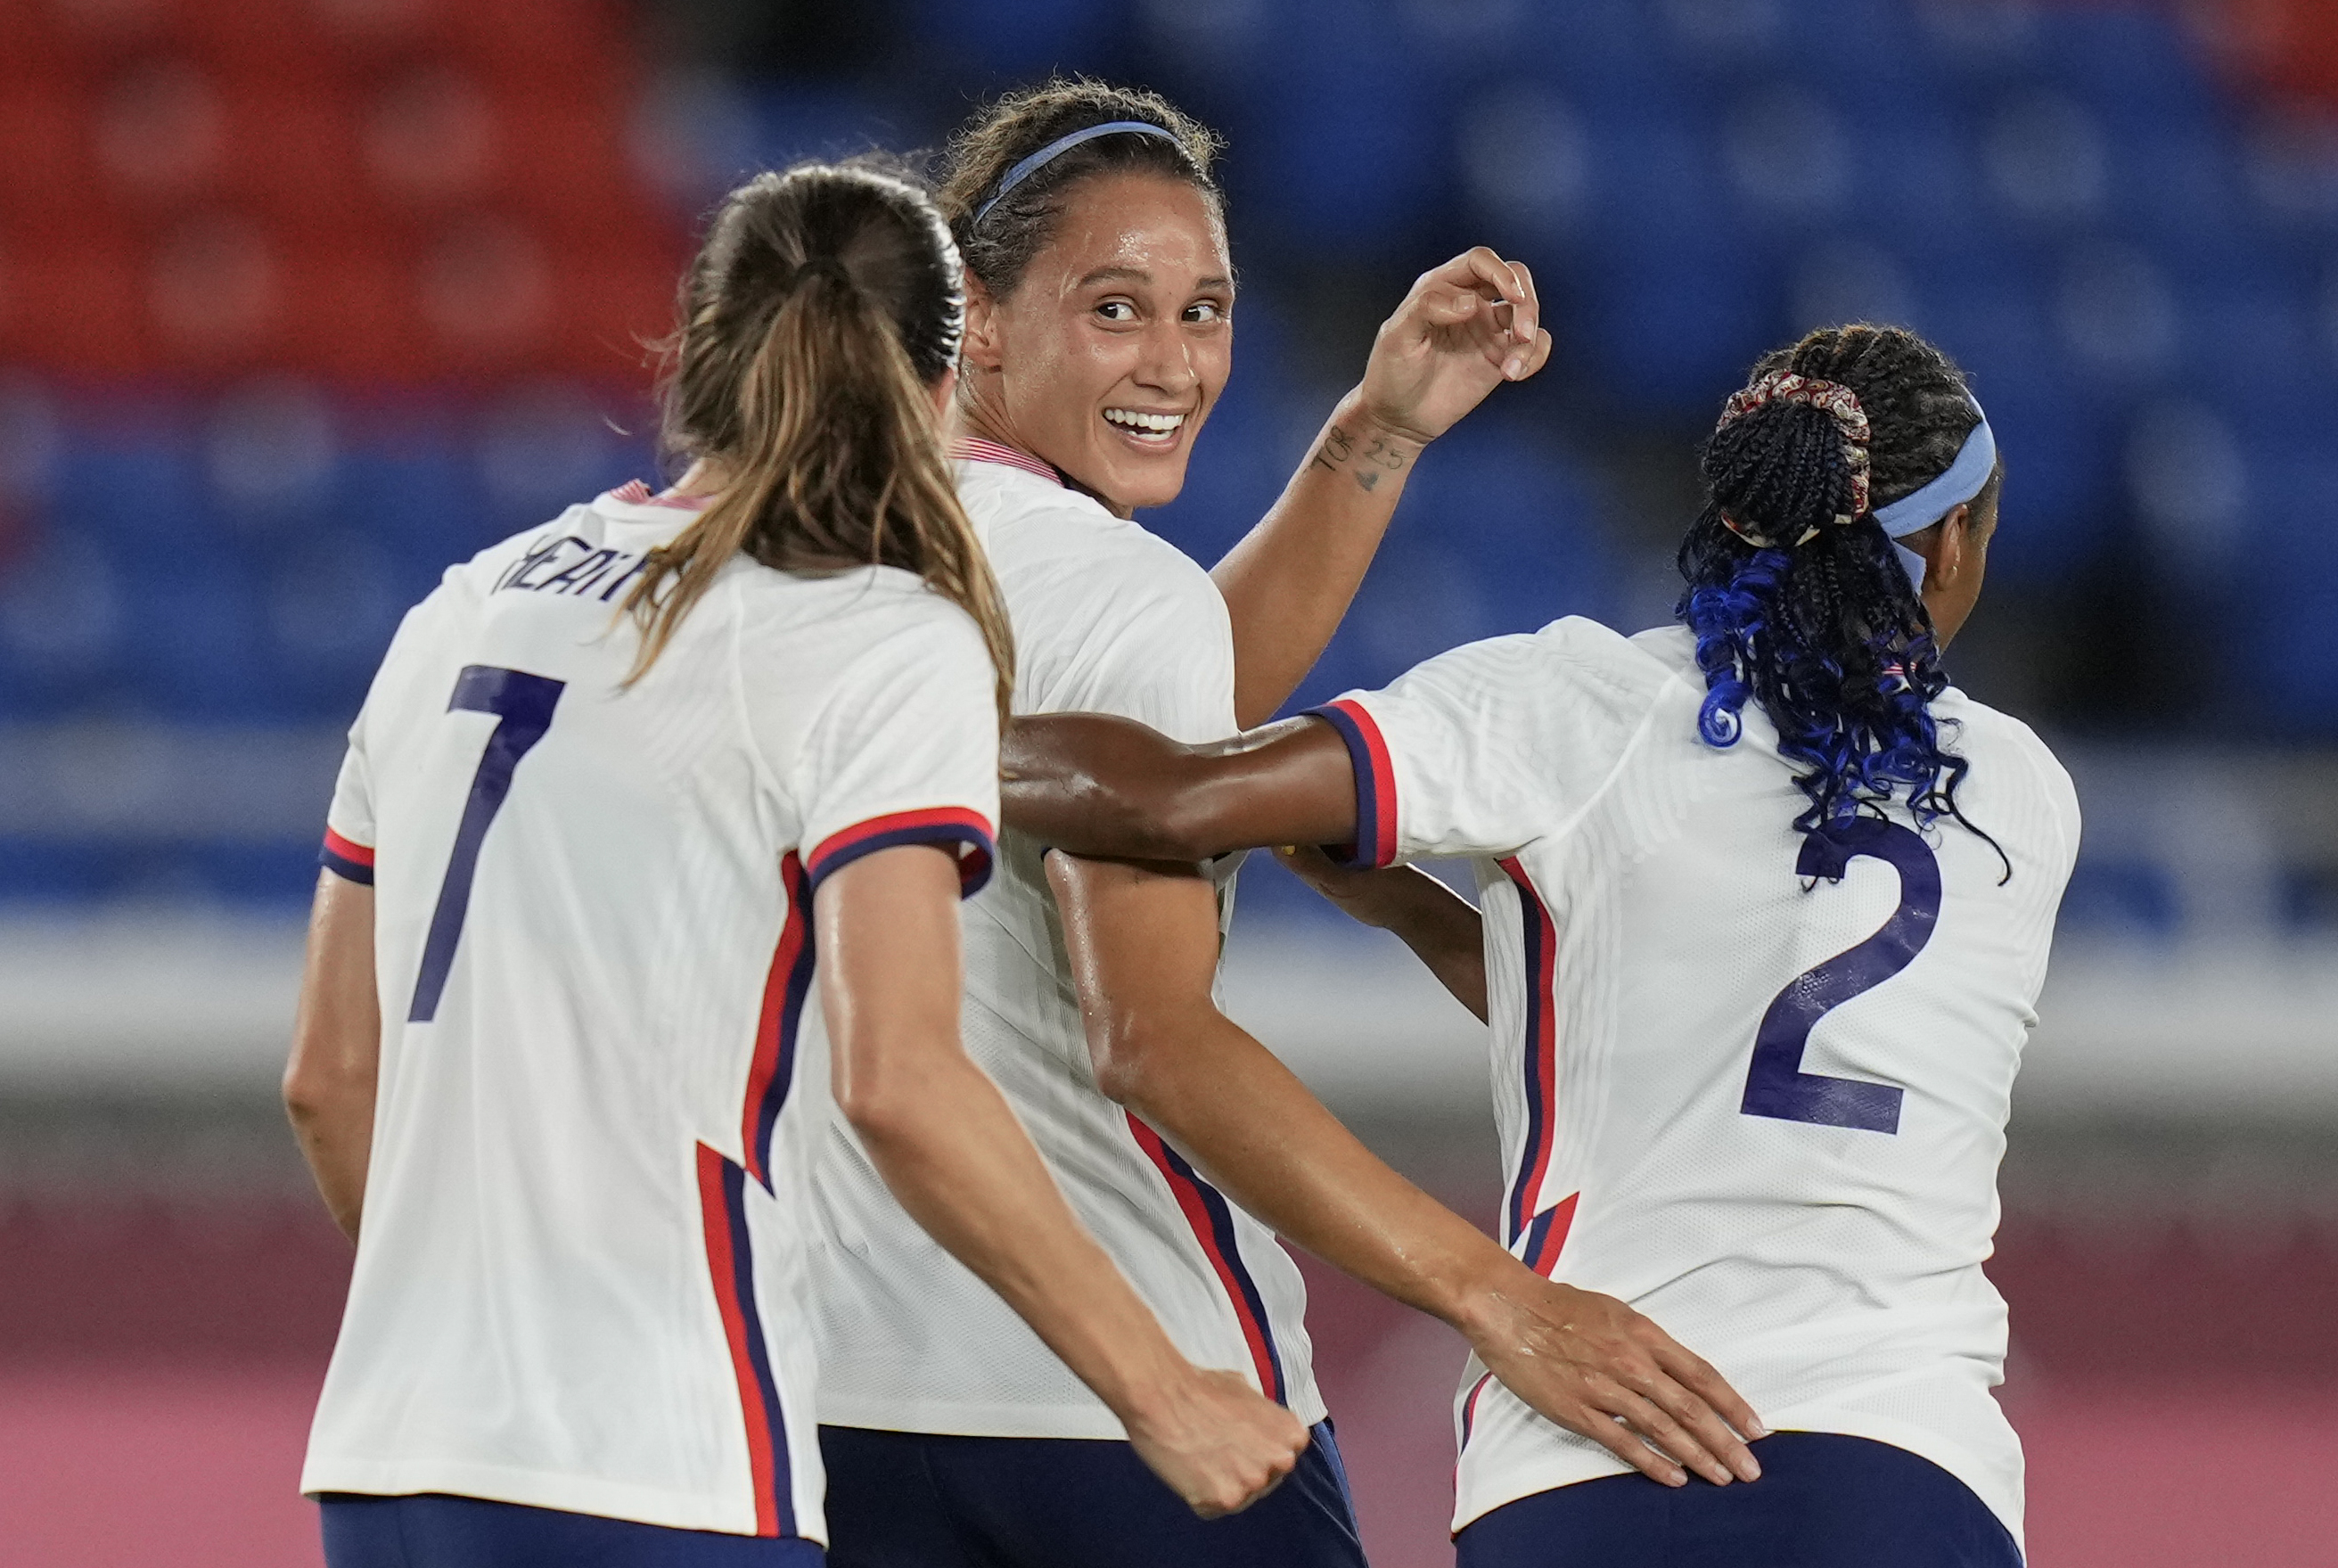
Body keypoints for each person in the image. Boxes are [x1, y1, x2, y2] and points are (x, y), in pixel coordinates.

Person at [280, 160, 1308, 1568]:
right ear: (947, 379)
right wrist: (1160, 1386)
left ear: (696, 353)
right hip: (667, 1461)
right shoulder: (875, 641)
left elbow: (329, 1083)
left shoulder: (463, 609)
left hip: (392, 1456)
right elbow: (900, 1079)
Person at [810, 80, 1760, 1568]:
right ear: (975, 318)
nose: (1175, 363)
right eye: (1116, 308)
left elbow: (1164, 697)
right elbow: (1153, 1036)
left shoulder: (796, 552)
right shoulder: (1117, 599)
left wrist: (1375, 434)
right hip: (1134, 1399)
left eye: (1207, 312)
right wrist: (1491, 1294)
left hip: (824, 1394)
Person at [1000, 324, 2078, 1568]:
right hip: (1903, 1470)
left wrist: (868, 737)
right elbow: (1711, 1025)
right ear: (1953, 543)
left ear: (1731, 523)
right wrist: (1416, 914)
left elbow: (1170, 799)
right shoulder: (2022, 797)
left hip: (1592, 1450)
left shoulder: (1586, 705)